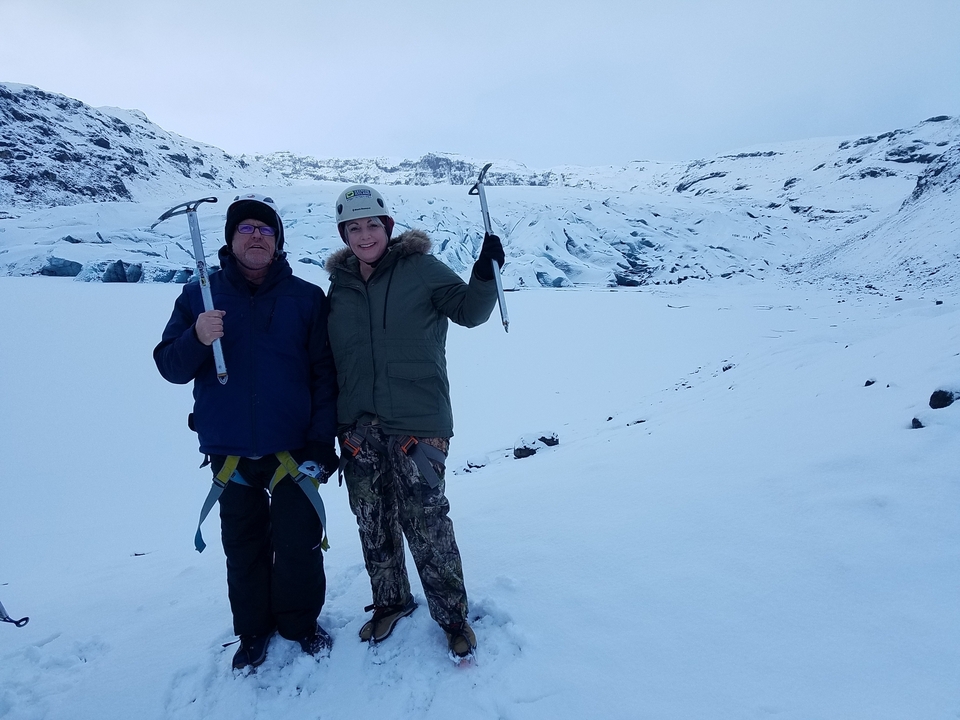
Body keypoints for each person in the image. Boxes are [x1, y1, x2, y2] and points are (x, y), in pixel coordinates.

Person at [154, 193, 339, 671]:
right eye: (246, 229)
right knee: (243, 544)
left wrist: (322, 438)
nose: (256, 236)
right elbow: (170, 367)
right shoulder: (199, 296)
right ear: (230, 239)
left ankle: (299, 623)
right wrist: (196, 337)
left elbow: (324, 373)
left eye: (266, 230)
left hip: (293, 448)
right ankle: (253, 629)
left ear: (278, 242)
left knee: (298, 540)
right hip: (229, 448)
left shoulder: (305, 297)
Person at [324, 184, 504, 660]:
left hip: (418, 423)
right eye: (353, 227)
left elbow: (470, 312)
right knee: (372, 521)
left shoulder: (420, 268)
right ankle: (391, 602)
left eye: (371, 225)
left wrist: (484, 273)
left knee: (426, 519)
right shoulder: (339, 286)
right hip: (359, 428)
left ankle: (452, 617)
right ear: (344, 233)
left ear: (387, 226)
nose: (364, 235)